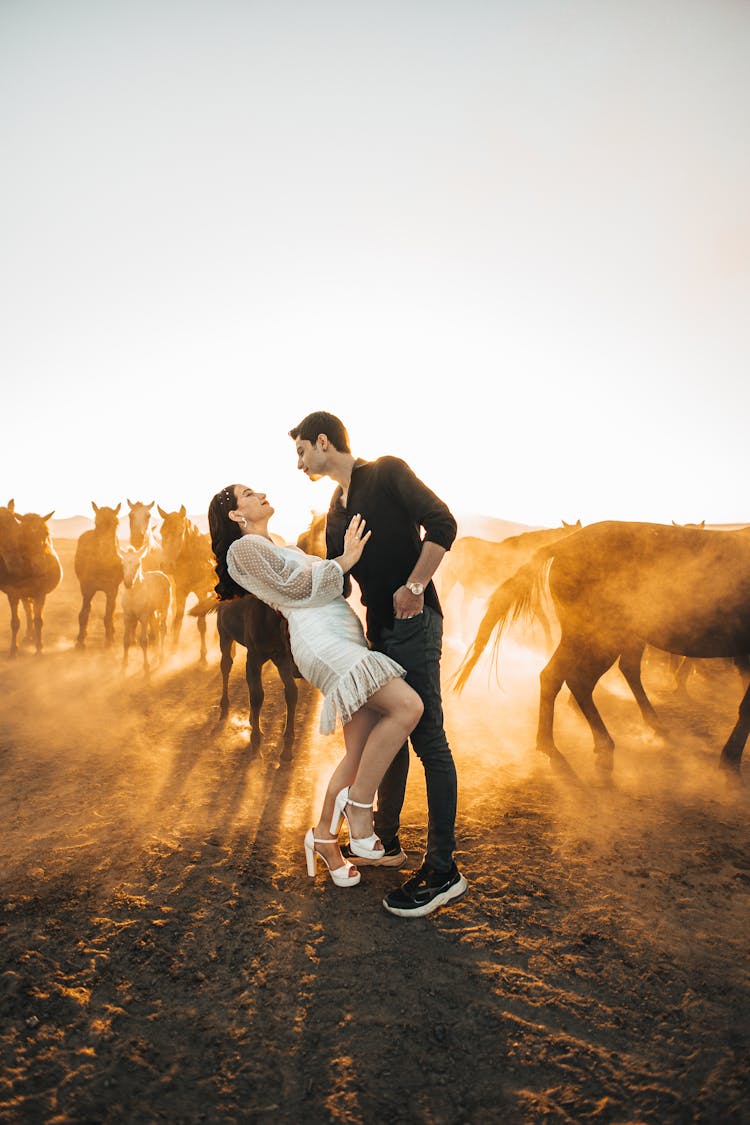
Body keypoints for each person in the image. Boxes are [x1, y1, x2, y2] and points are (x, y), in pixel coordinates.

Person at [289, 411, 467, 918]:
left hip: (415, 621)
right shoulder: (335, 508)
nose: (299, 463)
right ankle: (385, 841)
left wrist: (414, 586)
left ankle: (443, 870)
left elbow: (443, 523)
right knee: (390, 734)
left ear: (324, 442)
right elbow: (338, 583)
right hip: (378, 633)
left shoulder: (387, 472)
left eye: (302, 451)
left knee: (429, 738)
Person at [208, 484, 423, 891]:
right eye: (250, 494)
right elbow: (297, 590)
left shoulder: (277, 545)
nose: (262, 494)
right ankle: (360, 806)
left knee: (357, 753)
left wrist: (342, 563)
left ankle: (324, 836)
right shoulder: (243, 551)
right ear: (237, 515)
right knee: (407, 707)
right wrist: (344, 559)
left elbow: (326, 586)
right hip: (321, 641)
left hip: (342, 633)